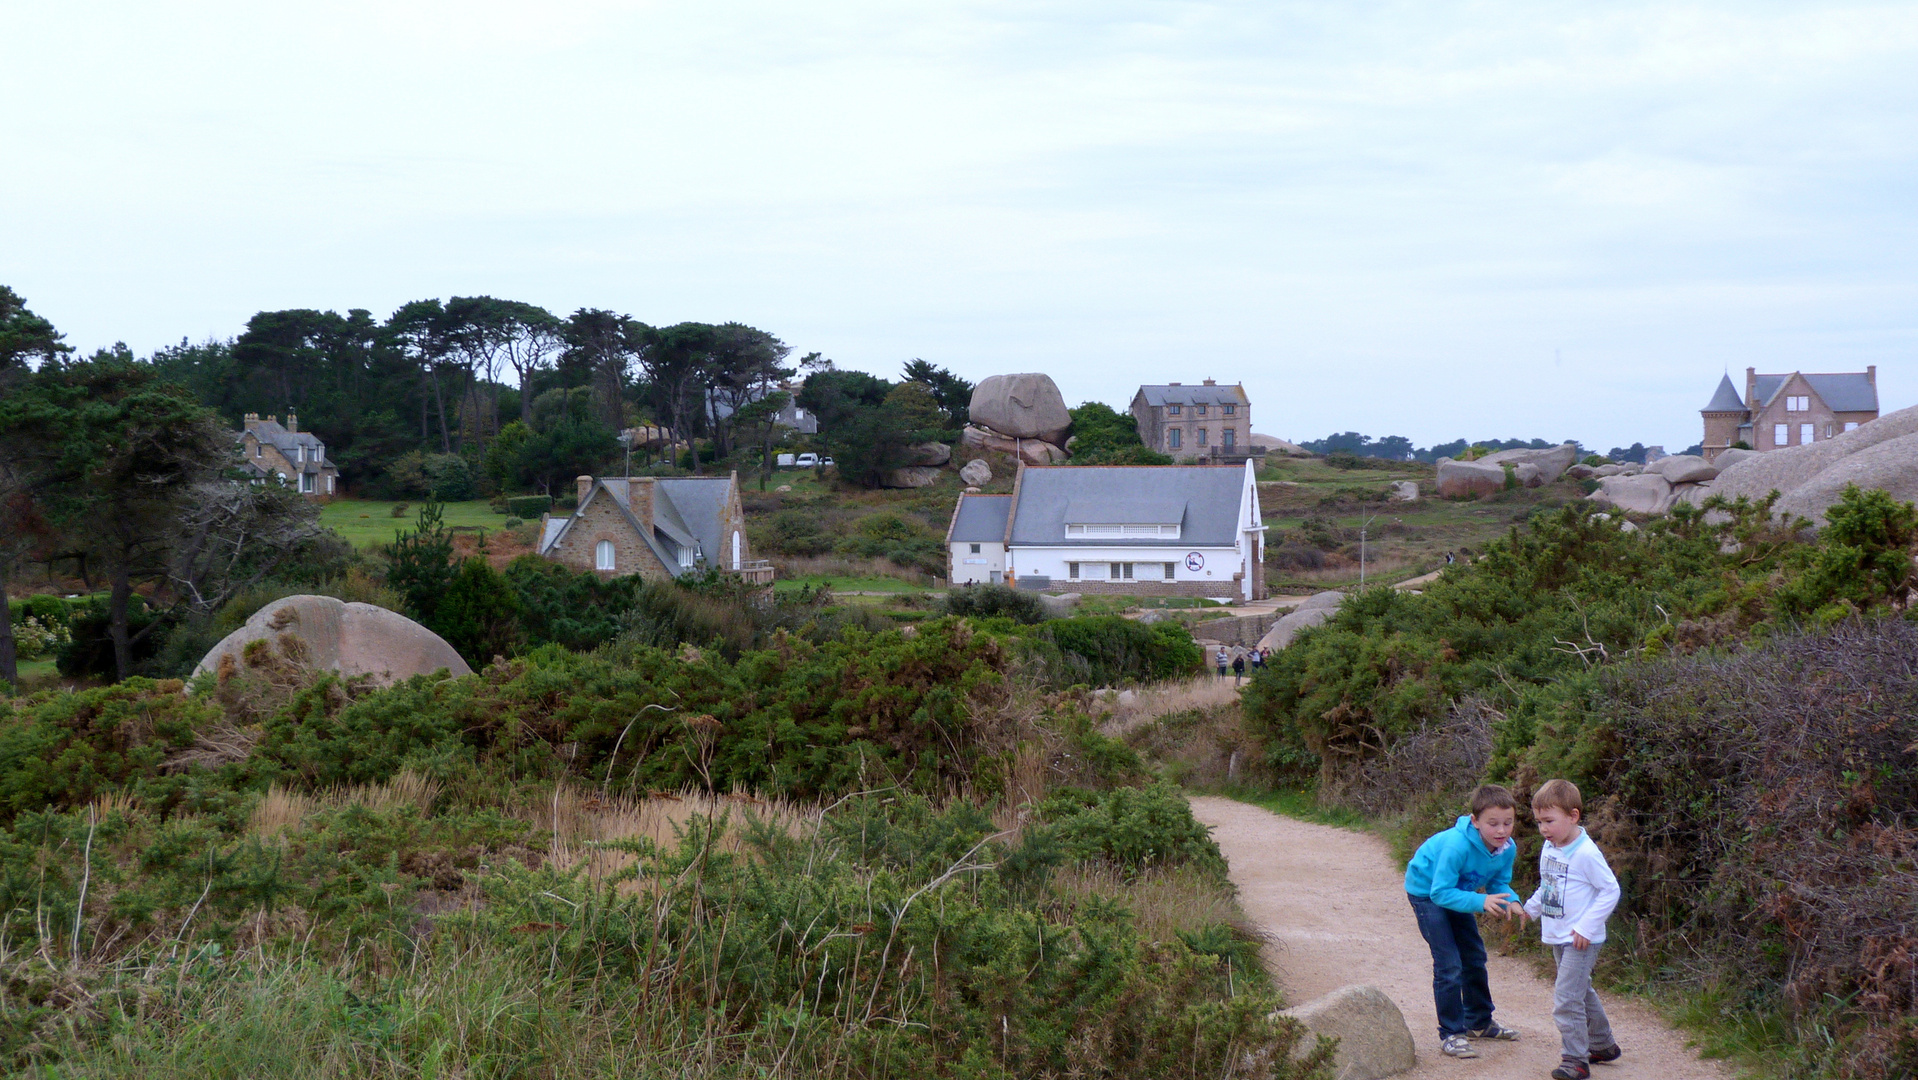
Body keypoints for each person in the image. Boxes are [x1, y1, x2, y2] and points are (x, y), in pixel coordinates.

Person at [1404, 784, 1525, 1059]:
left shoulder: (1507, 848)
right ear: (1475, 821)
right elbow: (1439, 892)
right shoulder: (1457, 846)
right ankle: (1451, 1034)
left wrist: (1512, 900)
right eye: (1492, 824)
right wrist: (1481, 902)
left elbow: (1498, 881)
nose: (1501, 831)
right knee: (1449, 964)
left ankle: (1479, 1024)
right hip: (1426, 893)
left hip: (1456, 893)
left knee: (1474, 957)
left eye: (1508, 823)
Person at [1523, 779, 1623, 1080]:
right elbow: (1549, 884)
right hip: (1557, 933)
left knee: (1566, 998)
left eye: (1549, 821)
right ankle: (1603, 1045)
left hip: (1580, 939)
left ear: (1573, 816)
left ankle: (1575, 1060)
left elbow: (1610, 890)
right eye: (1539, 822)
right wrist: (1530, 908)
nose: (1544, 828)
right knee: (1581, 991)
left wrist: (1586, 927)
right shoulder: (1550, 847)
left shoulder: (1586, 853)